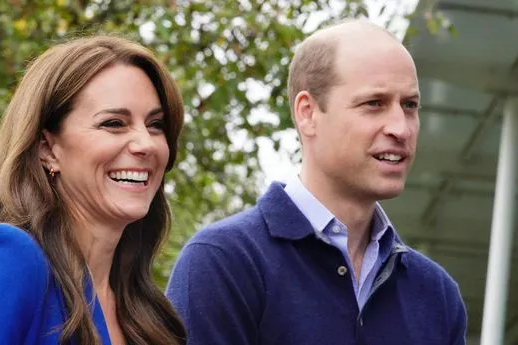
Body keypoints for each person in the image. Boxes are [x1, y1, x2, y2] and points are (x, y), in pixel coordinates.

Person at [166, 19, 467, 345]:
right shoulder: (224, 262)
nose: (401, 128)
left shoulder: (437, 294)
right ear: (307, 113)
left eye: (409, 105)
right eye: (374, 103)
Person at [0, 35, 186, 345]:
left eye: (155, 124)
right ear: (47, 149)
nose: (146, 144)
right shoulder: (10, 259)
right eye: (114, 123)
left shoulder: (149, 313)